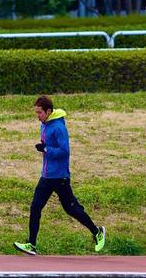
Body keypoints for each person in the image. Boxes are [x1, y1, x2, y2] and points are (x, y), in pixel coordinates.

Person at [14, 96, 105, 256]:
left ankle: (97, 232)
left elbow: (65, 151)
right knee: (35, 207)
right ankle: (31, 244)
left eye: (40, 113)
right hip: (47, 176)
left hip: (60, 177)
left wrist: (46, 149)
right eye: (36, 112)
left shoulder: (58, 127)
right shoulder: (44, 125)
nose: (38, 116)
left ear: (48, 111)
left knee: (71, 209)